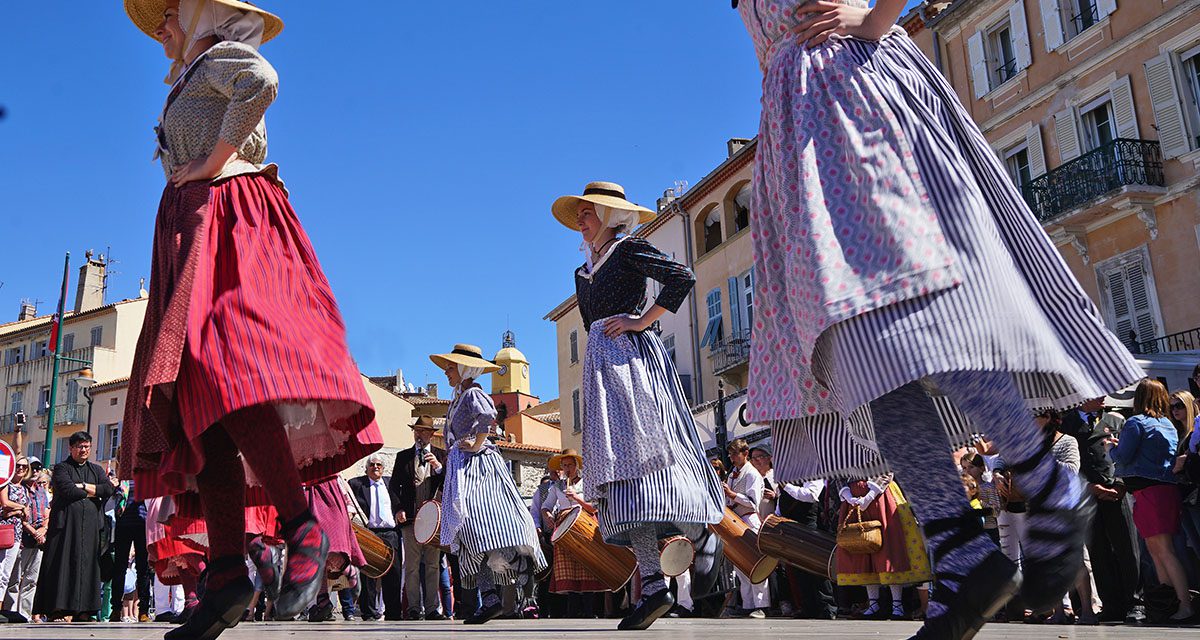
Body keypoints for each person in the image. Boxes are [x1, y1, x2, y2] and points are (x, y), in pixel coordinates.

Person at [731, 1, 1145, 636]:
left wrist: (872, 18)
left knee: (921, 318)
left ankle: (1046, 483)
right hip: (797, 131)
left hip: (856, 95)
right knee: (866, 361)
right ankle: (961, 556)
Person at [118, 2, 383, 638]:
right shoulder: (191, 72)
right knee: (193, 401)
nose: (163, 25)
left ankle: (301, 525)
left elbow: (261, 82)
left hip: (231, 217)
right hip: (193, 226)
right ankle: (229, 574)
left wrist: (211, 163)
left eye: (172, 11)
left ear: (204, 12)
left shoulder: (216, 58)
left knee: (226, 369)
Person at [551, 181, 726, 630]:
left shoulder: (629, 249)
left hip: (632, 362)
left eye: (588, 213)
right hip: (601, 369)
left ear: (609, 216)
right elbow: (591, 325)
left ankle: (700, 536)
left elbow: (682, 277)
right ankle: (652, 585)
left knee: (653, 456)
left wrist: (639, 321)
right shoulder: (583, 272)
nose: (581, 221)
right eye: (581, 214)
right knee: (623, 480)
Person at [431, 343, 547, 625]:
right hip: (461, 467)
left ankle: (519, 569)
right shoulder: (458, 398)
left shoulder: (473, 393)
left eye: (450, 366)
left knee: (480, 526)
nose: (446, 371)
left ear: (463, 368)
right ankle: (491, 598)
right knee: (469, 533)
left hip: (477, 467)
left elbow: (488, 417)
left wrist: (477, 443)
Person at [1109, 378, 1194, 622]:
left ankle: (1183, 605)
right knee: (1160, 550)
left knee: (1162, 552)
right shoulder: (1167, 423)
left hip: (1148, 492)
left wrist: (1111, 448)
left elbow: (1123, 456)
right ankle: (1169, 605)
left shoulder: (1135, 422)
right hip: (1164, 490)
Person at [33, 431, 116, 621]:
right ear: (71, 448)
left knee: (87, 567)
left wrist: (83, 486)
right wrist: (93, 490)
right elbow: (68, 490)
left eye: (87, 446)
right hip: (65, 528)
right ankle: (59, 609)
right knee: (62, 566)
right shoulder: (62, 468)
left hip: (90, 529)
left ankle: (84, 610)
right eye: (79, 446)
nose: (83, 449)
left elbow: (108, 489)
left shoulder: (96, 470)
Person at [835, 477, 930, 621]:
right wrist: (848, 496)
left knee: (889, 550)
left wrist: (869, 496)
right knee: (862, 548)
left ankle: (897, 605)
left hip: (881, 496)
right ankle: (873, 603)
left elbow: (886, 472)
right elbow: (837, 474)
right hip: (854, 496)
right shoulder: (839, 454)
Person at [390, 416, 448, 620]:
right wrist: (398, 509)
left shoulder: (442, 455)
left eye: (423, 431)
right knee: (412, 566)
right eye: (416, 430)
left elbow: (449, 484)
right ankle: (414, 608)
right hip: (410, 520)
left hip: (433, 521)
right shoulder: (403, 456)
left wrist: (439, 467)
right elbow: (393, 486)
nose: (419, 434)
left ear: (431, 434)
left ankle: (433, 609)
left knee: (432, 565)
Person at [540, 449, 607, 617]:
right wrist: (547, 515)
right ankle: (572, 613)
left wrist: (576, 498)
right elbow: (546, 506)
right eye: (564, 465)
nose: (567, 468)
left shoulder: (587, 483)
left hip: (584, 524)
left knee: (586, 566)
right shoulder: (557, 486)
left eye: (570, 465)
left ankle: (590, 612)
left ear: (577, 466)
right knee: (569, 568)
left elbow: (593, 507)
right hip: (564, 527)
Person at [348, 455, 403, 621]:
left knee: (394, 574)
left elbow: (400, 502)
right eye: (372, 465)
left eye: (379, 465)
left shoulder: (390, 483)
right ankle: (369, 612)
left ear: (383, 468)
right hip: (369, 533)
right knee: (368, 574)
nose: (375, 467)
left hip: (391, 533)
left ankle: (394, 613)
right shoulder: (356, 484)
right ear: (366, 468)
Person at [724, 439, 770, 618]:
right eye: (730, 454)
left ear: (745, 453)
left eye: (735, 453)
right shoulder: (733, 473)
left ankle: (762, 605)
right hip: (735, 520)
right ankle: (748, 604)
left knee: (756, 562)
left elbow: (753, 503)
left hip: (749, 521)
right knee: (741, 565)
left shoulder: (752, 474)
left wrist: (732, 495)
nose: (732, 457)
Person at [5, 467, 48, 620]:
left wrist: (44, 528)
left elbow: (47, 513)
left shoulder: (41, 491)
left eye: (38, 468)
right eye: (33, 468)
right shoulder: (20, 489)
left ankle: (25, 613)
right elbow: (21, 518)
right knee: (14, 579)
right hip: (23, 539)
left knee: (31, 580)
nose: (35, 471)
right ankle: (10, 612)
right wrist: (34, 532)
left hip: (39, 542)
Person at [108, 477, 151, 623]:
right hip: (123, 524)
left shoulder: (145, 476)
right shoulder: (120, 478)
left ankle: (143, 611)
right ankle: (116, 609)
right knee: (119, 568)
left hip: (143, 523)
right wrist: (112, 486)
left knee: (143, 569)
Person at [0, 457, 32, 615]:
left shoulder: (25, 489)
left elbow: (26, 514)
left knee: (9, 575)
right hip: (4, 532)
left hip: (17, 534)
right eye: (18, 465)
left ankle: (5, 608)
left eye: (24, 467)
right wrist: (20, 508)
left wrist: (17, 511)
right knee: (2, 573)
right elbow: (4, 506)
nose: (21, 469)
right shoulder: (5, 484)